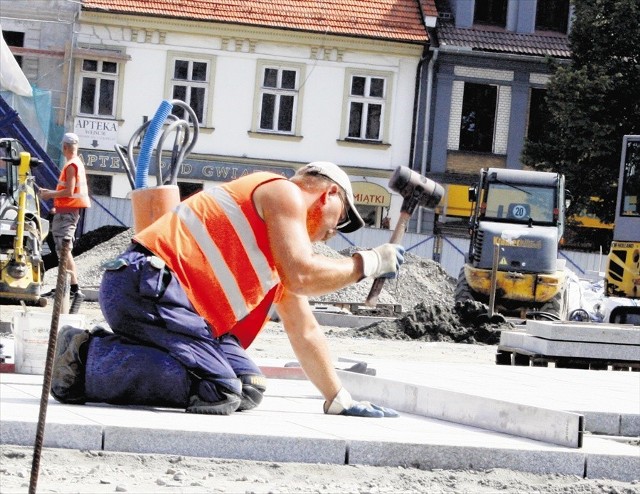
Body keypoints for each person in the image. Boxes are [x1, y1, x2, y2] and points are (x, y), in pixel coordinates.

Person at [51, 161, 405, 417]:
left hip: (170, 302)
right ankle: (85, 358)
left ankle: (122, 354)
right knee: (218, 390)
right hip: (146, 284)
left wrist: (340, 399)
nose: (334, 231)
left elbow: (305, 329)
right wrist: (367, 264)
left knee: (247, 385)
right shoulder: (284, 192)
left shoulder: (280, 253)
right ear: (328, 194)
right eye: (341, 218)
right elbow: (303, 276)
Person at [39, 132, 91, 314]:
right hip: (66, 211)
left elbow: (68, 191)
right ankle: (69, 287)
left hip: (67, 212)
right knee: (63, 249)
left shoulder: (71, 165)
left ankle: (73, 288)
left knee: (63, 249)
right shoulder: (77, 163)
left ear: (65, 147)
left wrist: (49, 195)